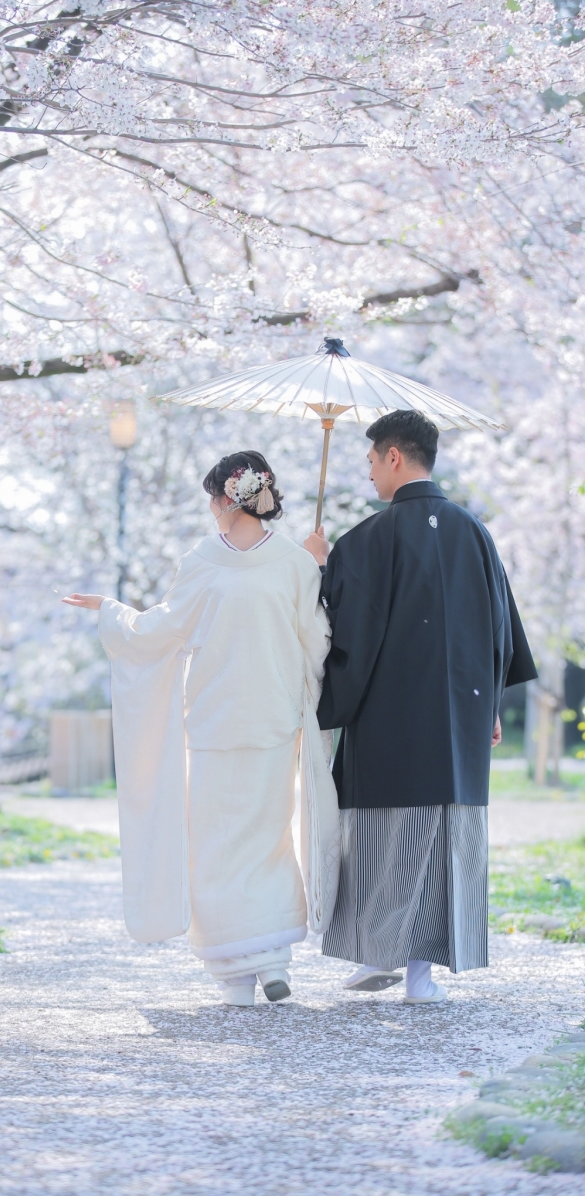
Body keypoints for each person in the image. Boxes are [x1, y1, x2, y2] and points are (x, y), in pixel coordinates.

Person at [64, 451, 339, 1007]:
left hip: (217, 719)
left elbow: (159, 631)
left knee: (215, 844)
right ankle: (270, 961)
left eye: (212, 498)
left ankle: (237, 971)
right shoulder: (292, 561)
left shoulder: (207, 562)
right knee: (267, 837)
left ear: (225, 499)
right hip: (272, 716)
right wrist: (315, 571)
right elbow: (318, 642)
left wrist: (112, 613)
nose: (211, 510)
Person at [303, 410, 537, 1004]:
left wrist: (319, 567)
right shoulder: (475, 532)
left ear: (393, 457)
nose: (371, 474)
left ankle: (382, 953)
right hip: (460, 716)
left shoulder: (366, 540)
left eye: (371, 461)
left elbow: (340, 632)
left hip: (390, 719)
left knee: (387, 837)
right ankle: (419, 975)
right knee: (442, 836)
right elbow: (501, 633)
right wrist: (485, 710)